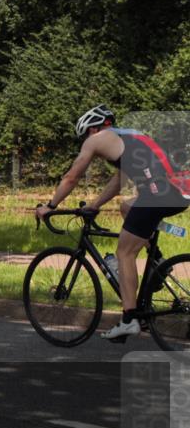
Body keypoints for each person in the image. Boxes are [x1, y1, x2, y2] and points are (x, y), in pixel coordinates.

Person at [36, 105, 190, 341]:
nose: (86, 140)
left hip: (158, 195)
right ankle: (156, 260)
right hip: (176, 191)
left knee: (124, 253)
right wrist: (95, 205)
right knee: (126, 207)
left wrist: (51, 206)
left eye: (86, 134)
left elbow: (71, 177)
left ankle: (129, 319)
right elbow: (119, 180)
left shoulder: (96, 139)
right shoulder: (128, 135)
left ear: (94, 128)